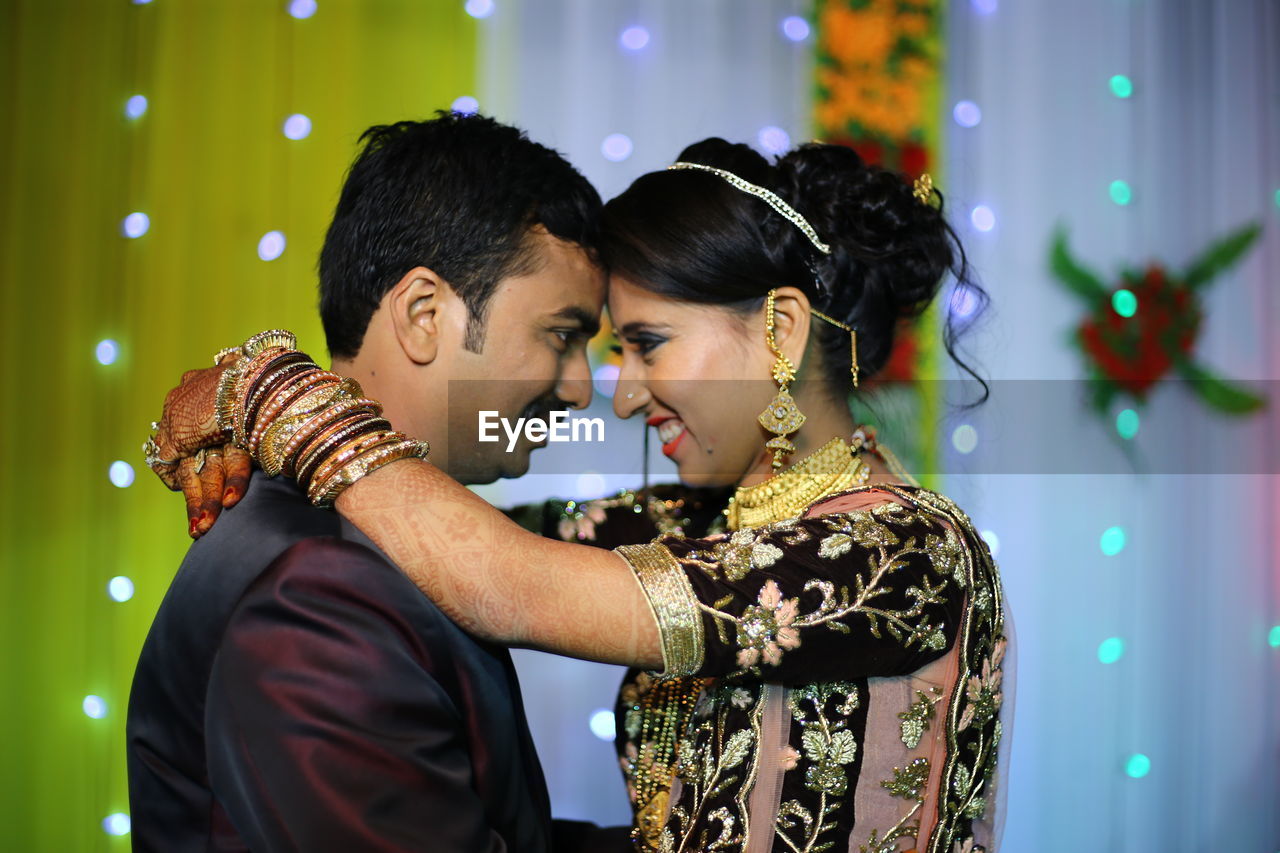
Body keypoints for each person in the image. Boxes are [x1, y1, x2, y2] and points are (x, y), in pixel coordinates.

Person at [155, 139, 1010, 853]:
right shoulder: (685, 520)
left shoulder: (905, 550)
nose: (618, 396)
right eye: (588, 344)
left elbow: (507, 578)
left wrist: (270, 390)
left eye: (648, 344)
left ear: (781, 331)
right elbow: (440, 538)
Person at [127, 113, 634, 852]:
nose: (582, 389)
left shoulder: (385, 535)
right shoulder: (321, 588)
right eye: (562, 334)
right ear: (425, 315)